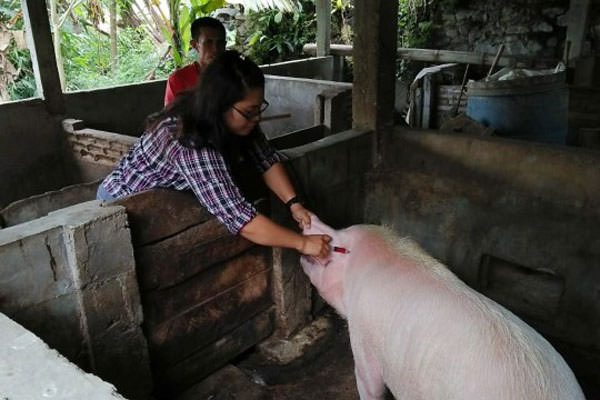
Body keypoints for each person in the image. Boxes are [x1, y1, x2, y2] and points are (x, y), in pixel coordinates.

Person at [98, 51, 331, 258]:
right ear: (220, 106)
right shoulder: (189, 138)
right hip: (120, 206)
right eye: (250, 111)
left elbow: (265, 158)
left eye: (259, 108)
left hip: (164, 199)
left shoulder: (238, 122)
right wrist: (302, 243)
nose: (257, 118)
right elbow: (240, 217)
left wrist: (294, 204)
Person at [164, 16, 226, 106]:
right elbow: (171, 117)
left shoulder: (235, 76)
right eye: (208, 42)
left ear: (225, 45)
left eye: (220, 43)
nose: (215, 49)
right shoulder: (179, 79)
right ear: (195, 45)